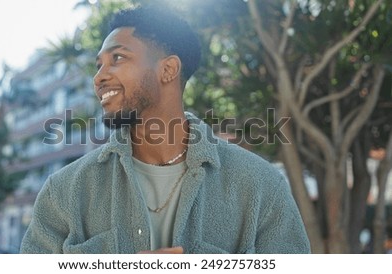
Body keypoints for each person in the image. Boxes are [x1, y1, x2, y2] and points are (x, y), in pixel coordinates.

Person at [20, 5, 310, 254]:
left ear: (168, 70)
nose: (99, 77)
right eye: (99, 65)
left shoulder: (261, 187)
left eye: (117, 58)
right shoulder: (64, 192)